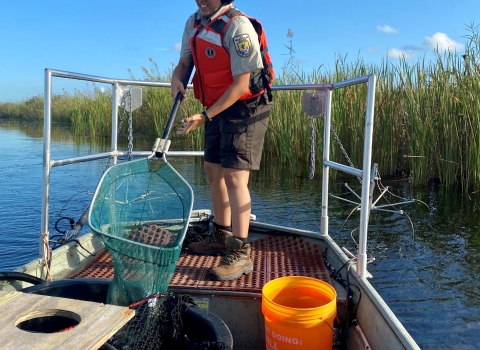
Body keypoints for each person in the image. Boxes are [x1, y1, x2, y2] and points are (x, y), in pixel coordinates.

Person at [172, 0, 274, 281]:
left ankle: (240, 253)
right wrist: (175, 81)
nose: (201, 0)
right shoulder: (194, 22)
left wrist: (203, 117)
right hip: (215, 106)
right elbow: (183, 63)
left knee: (234, 177)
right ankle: (221, 233)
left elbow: (242, 84)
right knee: (212, 171)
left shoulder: (238, 27)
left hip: (246, 107)